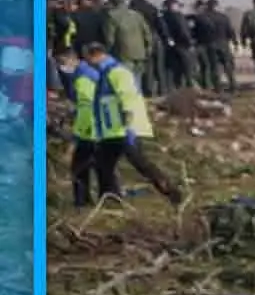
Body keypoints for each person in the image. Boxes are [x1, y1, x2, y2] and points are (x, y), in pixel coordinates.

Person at [70, 39, 183, 206]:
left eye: (88, 59)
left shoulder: (116, 72)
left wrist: (128, 122)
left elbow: (127, 96)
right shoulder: (105, 73)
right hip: (112, 131)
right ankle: (111, 199)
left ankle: (171, 192)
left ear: (94, 56)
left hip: (124, 130)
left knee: (140, 164)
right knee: (103, 165)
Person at [100, 0, 154, 98]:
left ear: (111, 2)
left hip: (122, 53)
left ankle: (131, 105)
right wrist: (148, 47)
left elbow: (110, 39)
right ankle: (139, 101)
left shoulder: (112, 16)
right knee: (137, 78)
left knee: (127, 80)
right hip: (140, 52)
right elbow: (147, 32)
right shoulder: (136, 14)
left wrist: (107, 52)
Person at [130, 0, 164, 93]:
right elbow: (161, 25)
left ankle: (148, 91)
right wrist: (165, 38)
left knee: (147, 67)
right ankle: (162, 90)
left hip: (140, 39)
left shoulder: (132, 9)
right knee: (159, 66)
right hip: (154, 37)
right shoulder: (152, 8)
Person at [157, 0, 193, 92]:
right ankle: (190, 89)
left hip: (170, 47)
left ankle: (174, 89)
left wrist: (169, 41)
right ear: (173, 5)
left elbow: (163, 31)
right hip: (182, 45)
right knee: (187, 69)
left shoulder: (163, 16)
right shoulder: (178, 16)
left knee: (172, 70)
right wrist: (189, 43)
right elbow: (183, 31)